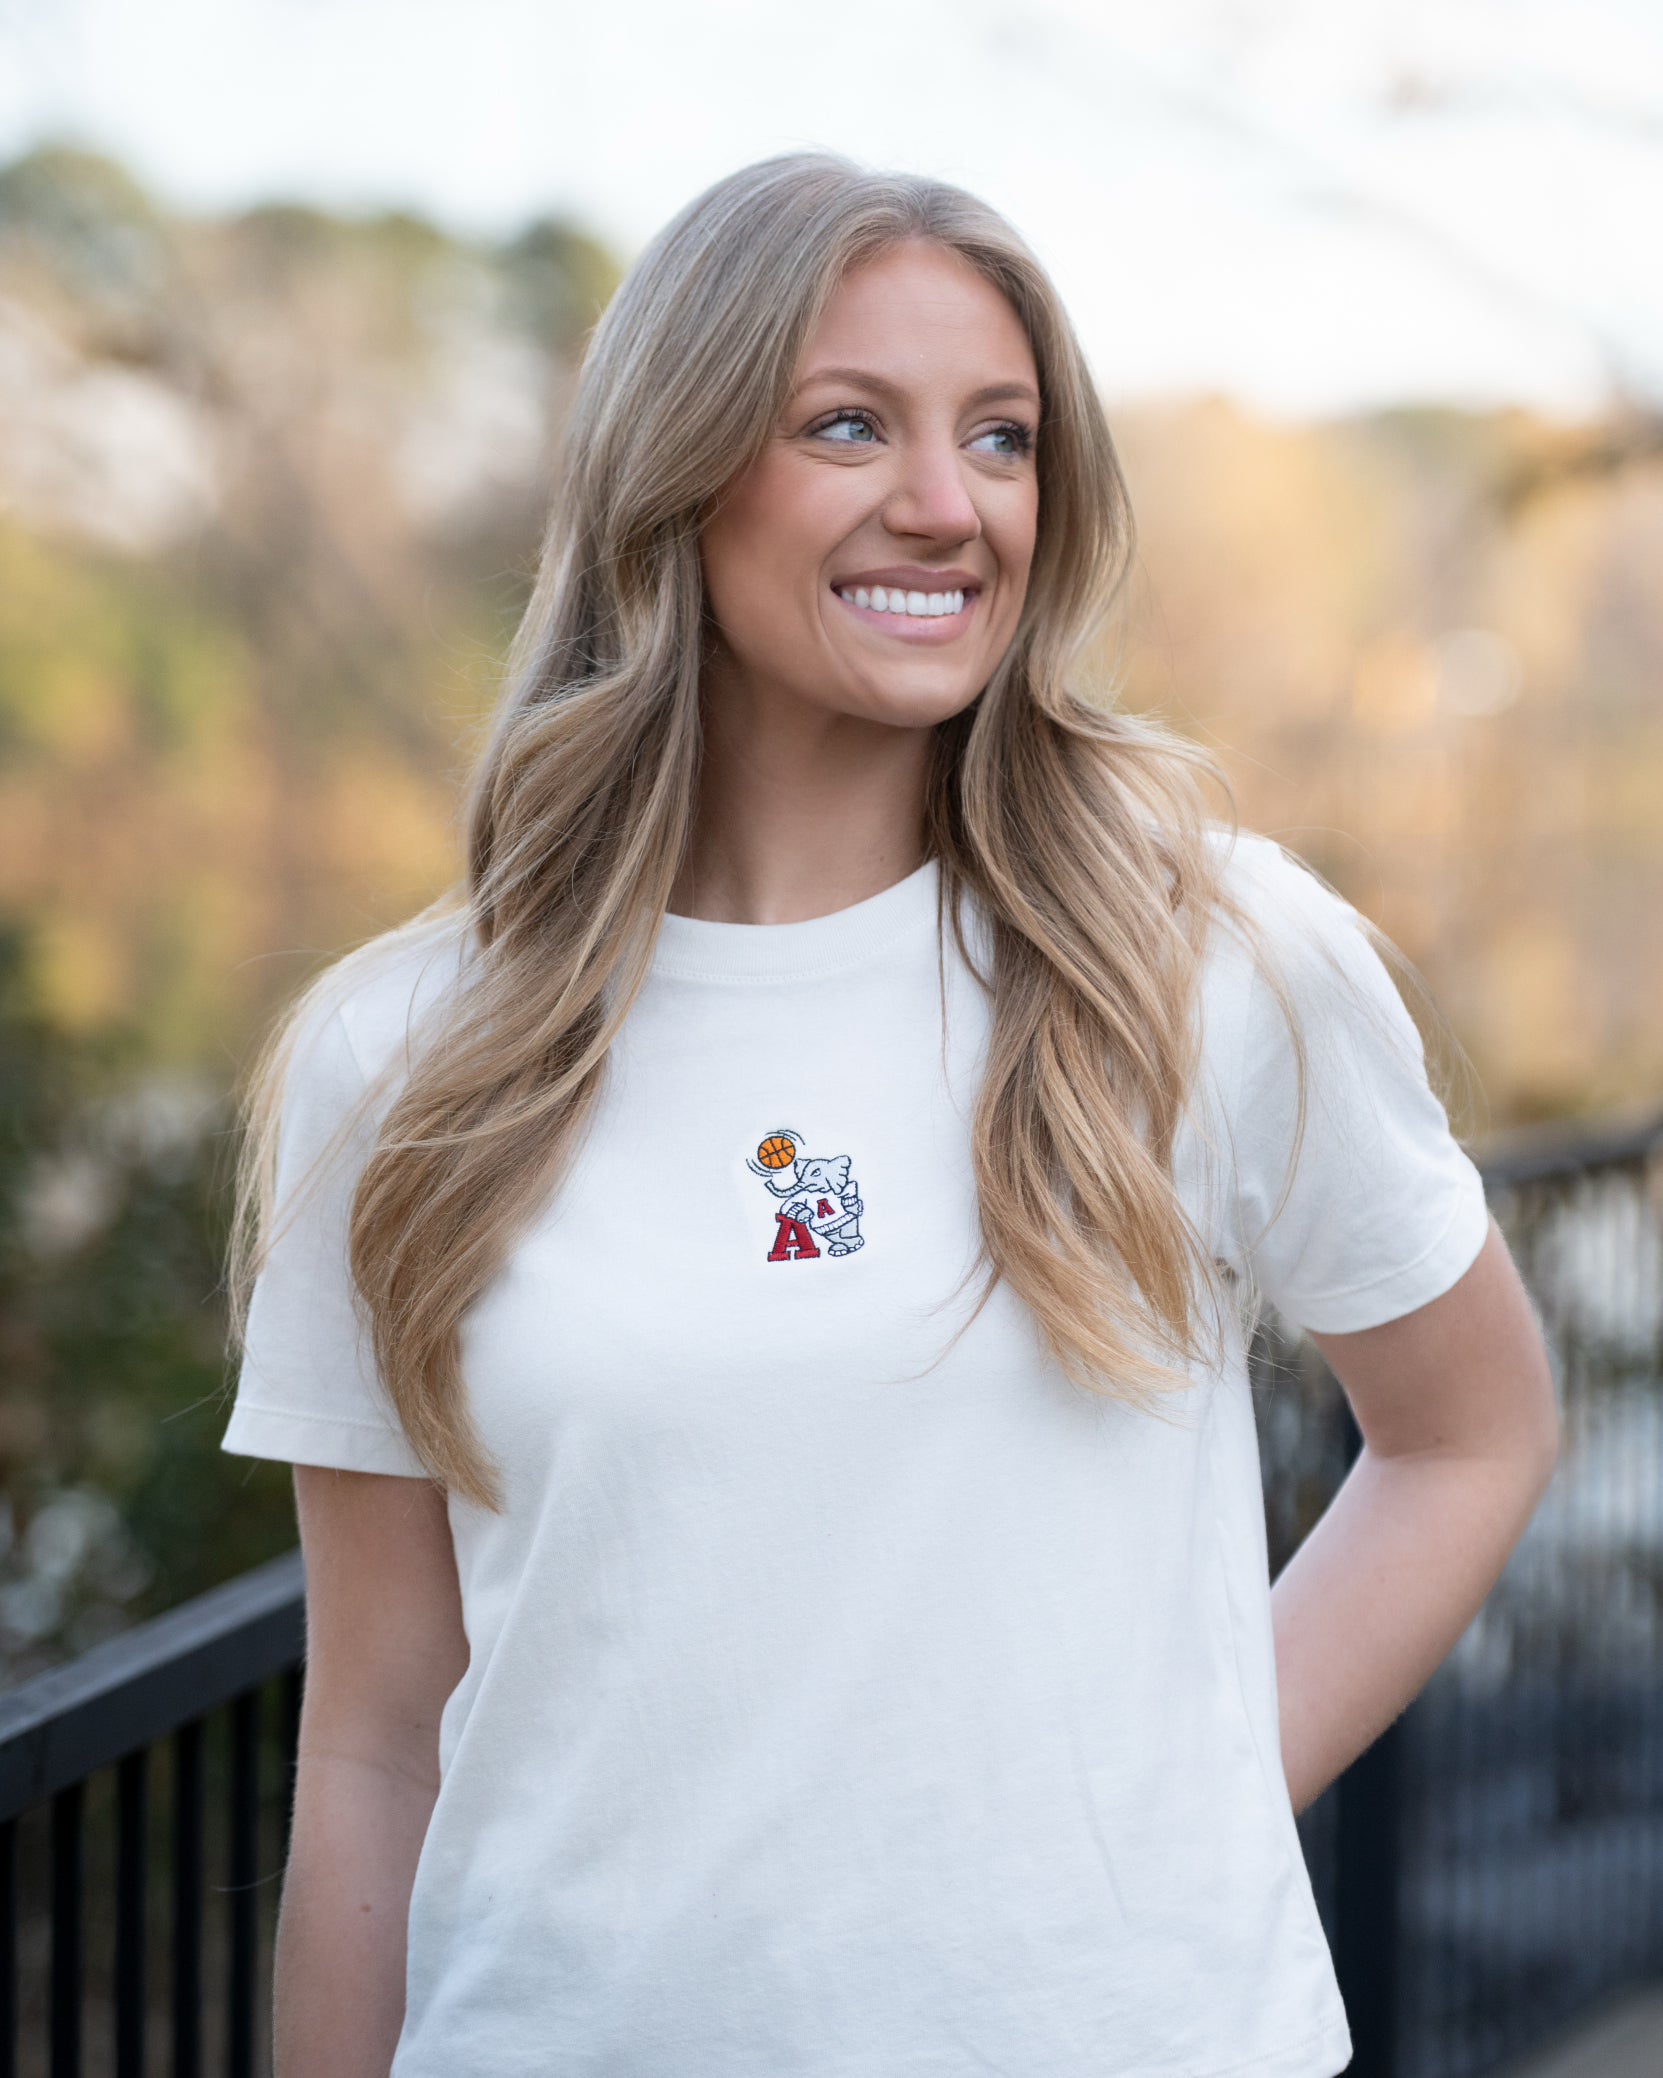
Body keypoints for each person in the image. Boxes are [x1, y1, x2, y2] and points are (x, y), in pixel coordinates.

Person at [219, 152, 1560, 2078]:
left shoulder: (1210, 956)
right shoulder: (408, 1048)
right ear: (675, 476)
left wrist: (1167, 1808)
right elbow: (370, 1728)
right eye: (849, 424)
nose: (947, 506)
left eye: (1001, 438)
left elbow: (1469, 1433)